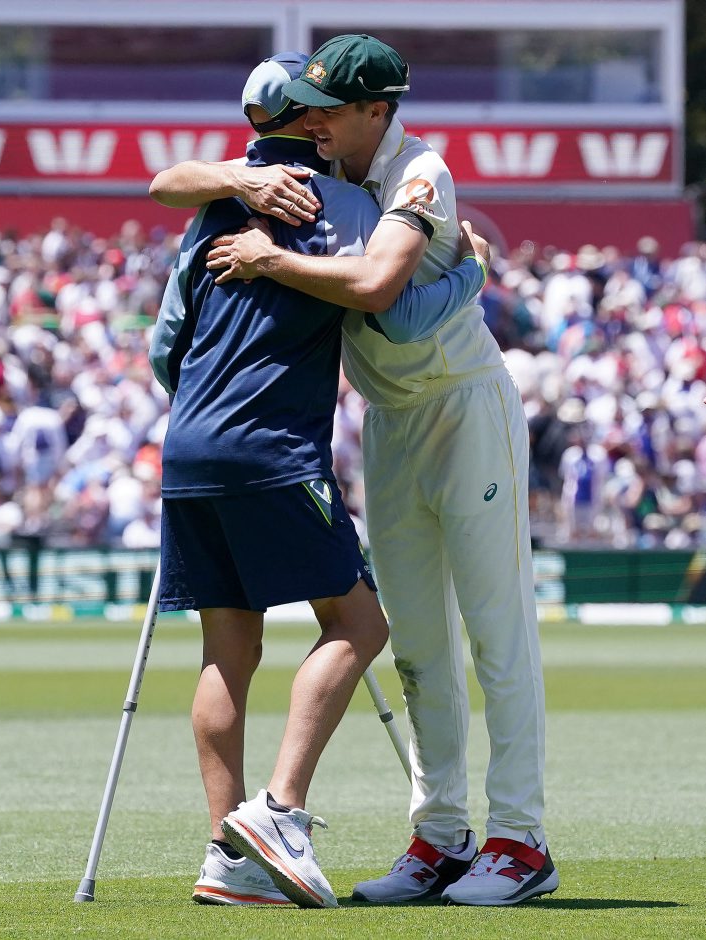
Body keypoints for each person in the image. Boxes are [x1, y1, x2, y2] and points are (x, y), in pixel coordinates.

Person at [186, 34, 558, 907]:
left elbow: (380, 291)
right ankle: (440, 838)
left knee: (495, 632)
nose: (310, 121)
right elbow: (170, 182)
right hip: (389, 420)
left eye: (328, 109)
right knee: (417, 645)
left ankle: (520, 840)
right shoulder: (323, 170)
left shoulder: (419, 171)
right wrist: (235, 177)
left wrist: (271, 258)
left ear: (375, 111)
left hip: (465, 407)